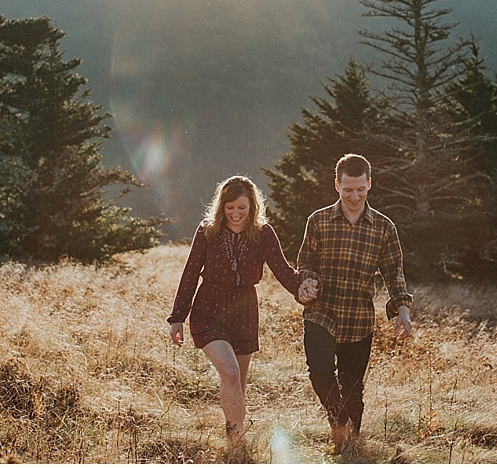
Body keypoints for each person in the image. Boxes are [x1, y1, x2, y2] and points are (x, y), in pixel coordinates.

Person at [167, 175, 318, 459]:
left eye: (242, 208)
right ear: (221, 207)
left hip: (245, 311)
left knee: (239, 381)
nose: (235, 214)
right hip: (209, 308)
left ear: (252, 207)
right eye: (230, 208)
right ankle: (235, 442)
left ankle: (236, 442)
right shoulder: (207, 232)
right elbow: (189, 273)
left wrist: (301, 289)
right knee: (230, 372)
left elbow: (282, 269)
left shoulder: (263, 233)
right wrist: (178, 316)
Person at [296, 153, 413, 454]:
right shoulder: (318, 220)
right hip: (322, 312)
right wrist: (307, 281)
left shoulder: (384, 228)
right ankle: (340, 422)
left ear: (369, 184)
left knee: (352, 388)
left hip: (359, 318)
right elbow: (305, 260)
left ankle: (349, 449)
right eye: (348, 189)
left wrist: (402, 309)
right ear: (337, 185)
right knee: (320, 372)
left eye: (360, 188)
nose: (354, 195)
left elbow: (393, 271)